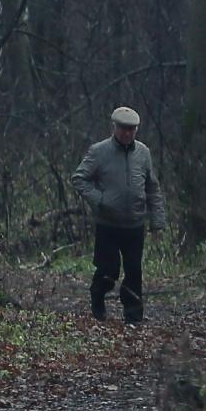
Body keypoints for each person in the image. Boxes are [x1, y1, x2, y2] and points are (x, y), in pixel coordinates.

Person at [70, 106, 166, 324]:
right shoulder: (99, 151)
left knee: (134, 271)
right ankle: (97, 296)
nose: (127, 133)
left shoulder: (143, 153)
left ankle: (133, 316)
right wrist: (100, 200)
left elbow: (153, 188)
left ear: (137, 130)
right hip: (108, 224)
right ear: (114, 127)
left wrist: (157, 223)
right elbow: (79, 179)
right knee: (108, 269)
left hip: (135, 224)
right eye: (123, 128)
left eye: (131, 129)